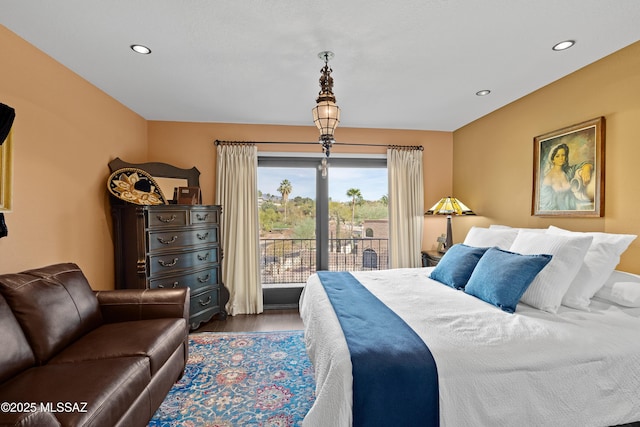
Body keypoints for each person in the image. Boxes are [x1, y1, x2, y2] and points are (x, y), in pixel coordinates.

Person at [539, 143, 593, 211]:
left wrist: (586, 168)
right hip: (560, 213)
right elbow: (545, 206)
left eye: (563, 155)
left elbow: (585, 164)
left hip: (574, 207)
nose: (561, 158)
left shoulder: (568, 171)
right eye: (557, 156)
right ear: (553, 159)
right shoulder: (548, 178)